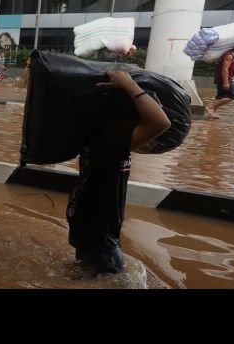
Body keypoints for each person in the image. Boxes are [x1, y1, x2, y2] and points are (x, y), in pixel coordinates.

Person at [67, 70, 170, 275]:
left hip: (86, 227)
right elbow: (161, 122)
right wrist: (129, 84)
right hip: (101, 239)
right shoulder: (112, 142)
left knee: (85, 274)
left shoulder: (96, 136)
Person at [207, 42, 234, 119]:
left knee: (220, 97)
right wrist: (226, 82)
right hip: (226, 78)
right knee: (233, 96)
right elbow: (224, 69)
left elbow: (227, 66)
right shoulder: (229, 55)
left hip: (223, 78)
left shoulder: (231, 54)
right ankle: (210, 107)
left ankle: (212, 113)